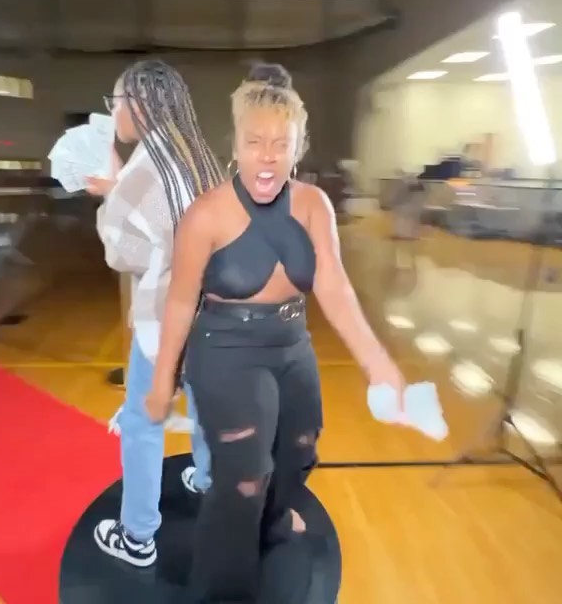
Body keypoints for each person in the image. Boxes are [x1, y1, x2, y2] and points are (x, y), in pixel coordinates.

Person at [145, 63, 405, 602]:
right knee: (244, 478)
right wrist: (162, 379)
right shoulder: (205, 215)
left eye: (280, 144)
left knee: (300, 451)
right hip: (226, 351)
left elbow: (333, 285)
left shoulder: (312, 205)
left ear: (297, 148)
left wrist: (376, 361)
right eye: (254, 142)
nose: (267, 156)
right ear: (236, 146)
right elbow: (180, 300)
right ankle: (222, 591)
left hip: (291, 345)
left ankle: (272, 522)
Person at [90, 59, 223, 568]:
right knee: (206, 403)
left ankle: (137, 535)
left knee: (143, 421)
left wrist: (111, 193)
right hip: (215, 311)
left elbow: (121, 253)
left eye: (116, 102)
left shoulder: (143, 170)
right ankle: (208, 480)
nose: (113, 113)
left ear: (139, 106)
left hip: (167, 320)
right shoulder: (198, 153)